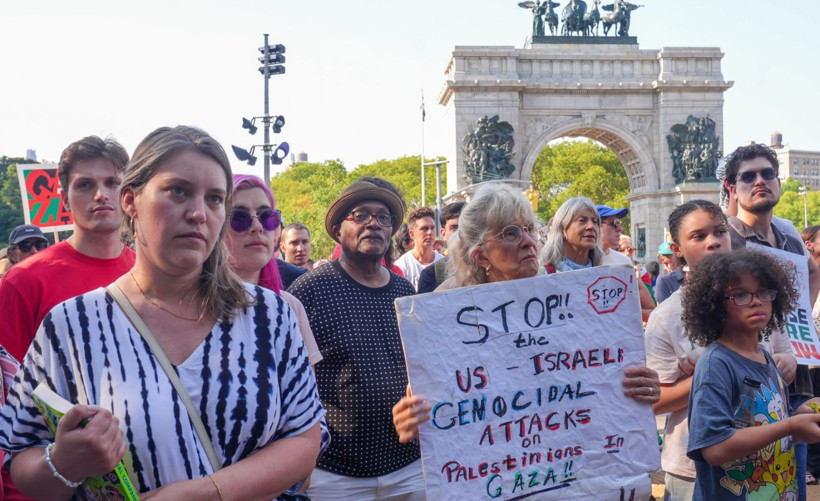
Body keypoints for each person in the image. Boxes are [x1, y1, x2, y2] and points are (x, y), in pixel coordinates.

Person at [0, 126, 325, 499]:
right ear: (130, 201)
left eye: (216, 198)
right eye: (178, 191)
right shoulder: (70, 325)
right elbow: (21, 459)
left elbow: (304, 438)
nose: (199, 213)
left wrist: (203, 494)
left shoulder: (269, 315)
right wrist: (65, 461)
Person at [393, 183, 660, 443]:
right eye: (511, 233)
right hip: (492, 468)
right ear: (480, 256)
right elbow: (431, 406)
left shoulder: (571, 295)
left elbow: (600, 372)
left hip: (567, 458)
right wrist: (413, 418)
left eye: (529, 229)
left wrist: (639, 384)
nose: (528, 241)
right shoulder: (445, 312)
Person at [645, 200, 797, 501]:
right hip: (698, 473)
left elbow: (779, 369)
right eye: (699, 236)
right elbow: (655, 401)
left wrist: (786, 369)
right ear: (676, 249)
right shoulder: (666, 317)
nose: (714, 242)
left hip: (766, 472)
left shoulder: (760, 311)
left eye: (720, 231)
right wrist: (716, 376)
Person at [288, 177, 424, 500]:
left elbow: (420, 366)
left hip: (408, 468)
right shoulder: (309, 292)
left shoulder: (405, 292)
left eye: (383, 217)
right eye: (360, 215)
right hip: (335, 475)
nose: (373, 224)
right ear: (337, 230)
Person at [683, 250, 820, 501]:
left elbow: (765, 426)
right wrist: (789, 425)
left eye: (764, 292)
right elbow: (714, 448)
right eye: (741, 294)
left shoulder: (765, 357)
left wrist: (800, 418)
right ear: (714, 304)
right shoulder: (716, 364)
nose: (757, 301)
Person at [724, 143, 820, 499]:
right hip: (752, 391)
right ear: (733, 189)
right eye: (748, 177)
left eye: (767, 173)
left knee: (789, 487)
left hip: (796, 385)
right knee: (755, 487)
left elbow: (813, 272)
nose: (760, 181)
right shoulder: (726, 238)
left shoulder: (789, 235)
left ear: (779, 181)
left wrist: (798, 332)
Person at [0, 135, 135, 363]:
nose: (101, 194)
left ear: (128, 195)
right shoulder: (22, 282)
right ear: (65, 199)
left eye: (112, 183)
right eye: (85, 185)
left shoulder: (151, 273)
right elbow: (9, 386)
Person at [224, 174, 322, 367]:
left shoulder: (290, 307)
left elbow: (306, 394)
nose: (257, 227)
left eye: (267, 217)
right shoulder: (190, 308)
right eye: (239, 218)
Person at [543, 197, 654, 320]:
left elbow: (651, 310)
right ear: (563, 229)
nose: (591, 226)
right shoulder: (542, 274)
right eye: (582, 220)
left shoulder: (615, 272)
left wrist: (620, 311)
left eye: (595, 222)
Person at [417, 201, 465, 294]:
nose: (460, 233)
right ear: (443, 233)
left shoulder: (489, 268)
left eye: (465, 227)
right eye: (454, 228)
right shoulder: (431, 275)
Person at [393, 206, 443, 290]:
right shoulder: (401, 266)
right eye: (424, 228)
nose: (430, 232)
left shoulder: (443, 264)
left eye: (433, 228)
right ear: (412, 234)